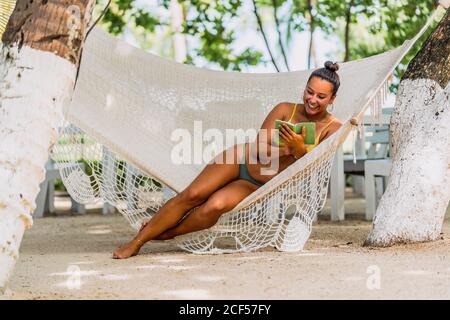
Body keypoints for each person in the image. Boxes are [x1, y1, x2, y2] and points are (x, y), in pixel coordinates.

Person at [113, 61, 343, 259]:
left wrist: (300, 150)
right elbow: (259, 150)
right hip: (240, 159)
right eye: (309, 92)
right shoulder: (285, 109)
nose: (312, 99)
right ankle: (137, 242)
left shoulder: (334, 129)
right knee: (193, 195)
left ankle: (165, 233)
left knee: (215, 206)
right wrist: (289, 150)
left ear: (332, 99)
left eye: (321, 96)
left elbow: (313, 169)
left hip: (257, 184)